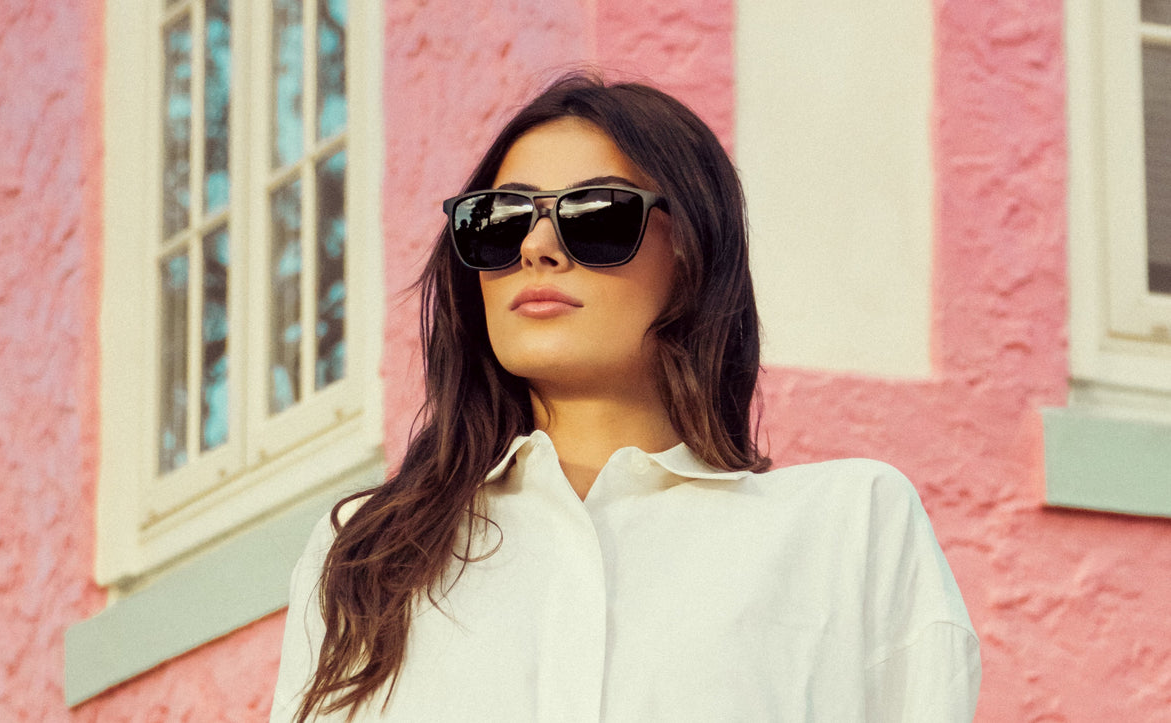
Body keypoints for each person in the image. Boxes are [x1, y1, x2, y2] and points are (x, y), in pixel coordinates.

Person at [270, 73, 981, 722]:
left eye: (596, 216)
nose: (536, 248)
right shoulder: (367, 555)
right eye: (499, 220)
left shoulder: (848, 526)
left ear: (693, 251)